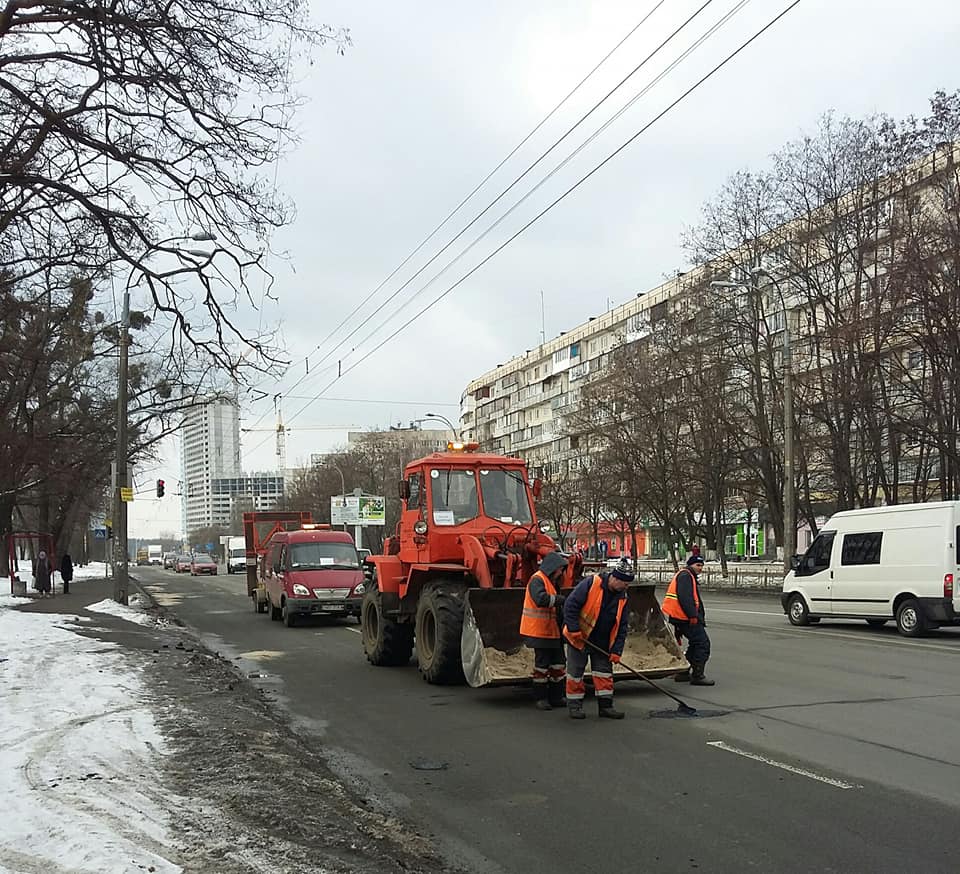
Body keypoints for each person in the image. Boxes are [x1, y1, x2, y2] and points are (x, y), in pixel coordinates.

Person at [562, 558, 633, 720]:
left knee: (604, 674)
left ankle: (606, 707)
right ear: (615, 578)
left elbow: (622, 626)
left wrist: (616, 651)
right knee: (575, 673)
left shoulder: (623, 597)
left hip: (602, 642)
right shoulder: (591, 583)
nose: (627, 587)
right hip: (580, 637)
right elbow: (570, 605)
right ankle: (575, 706)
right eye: (625, 583)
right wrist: (573, 629)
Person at [519, 550, 568, 710]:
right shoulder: (537, 580)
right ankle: (541, 697)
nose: (561, 572)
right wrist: (562, 600)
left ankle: (557, 696)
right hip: (539, 632)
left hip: (552, 632)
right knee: (542, 666)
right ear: (553, 567)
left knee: (558, 665)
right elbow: (541, 599)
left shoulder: (550, 581)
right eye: (560, 568)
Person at [662, 555, 715, 686]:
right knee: (703, 644)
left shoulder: (687, 575)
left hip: (682, 617)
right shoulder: (686, 576)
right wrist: (693, 616)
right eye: (698, 565)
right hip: (685, 618)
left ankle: (683, 672)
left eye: (702, 565)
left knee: (695, 644)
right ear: (691, 565)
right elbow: (685, 598)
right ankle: (697, 676)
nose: (700, 568)